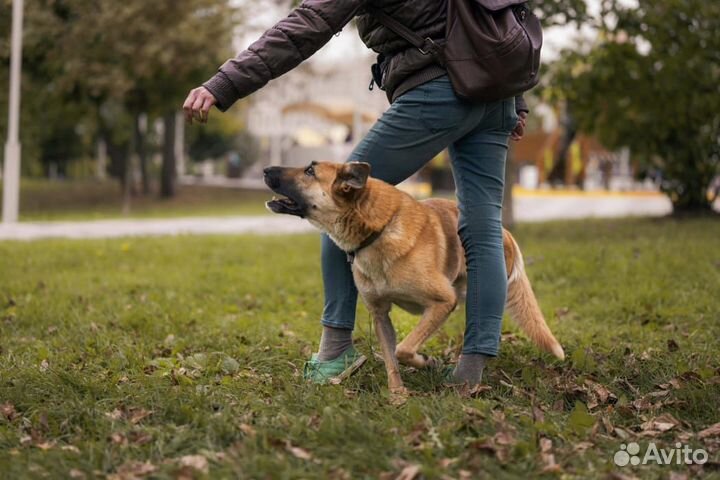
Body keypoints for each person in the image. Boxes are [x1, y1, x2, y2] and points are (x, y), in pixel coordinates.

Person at [183, 0, 529, 387]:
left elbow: (307, 25)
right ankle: (471, 371)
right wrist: (516, 101)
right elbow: (500, 19)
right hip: (493, 94)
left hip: (438, 90)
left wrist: (224, 83)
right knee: (482, 231)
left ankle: (335, 351)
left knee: (339, 202)